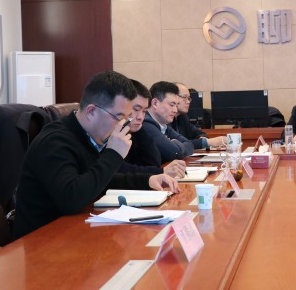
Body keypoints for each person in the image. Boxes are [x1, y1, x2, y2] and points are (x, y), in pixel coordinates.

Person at [13, 71, 179, 239]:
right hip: (42, 240)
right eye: (119, 117)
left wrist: (147, 180)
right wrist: (113, 154)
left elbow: (98, 181)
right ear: (91, 111)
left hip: (73, 233)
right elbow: (71, 198)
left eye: (126, 118)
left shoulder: (89, 137)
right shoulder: (54, 141)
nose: (123, 124)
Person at [118, 79, 186, 177]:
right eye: (136, 109)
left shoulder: (138, 131)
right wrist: (161, 171)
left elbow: (154, 162)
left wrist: (141, 132)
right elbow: (118, 170)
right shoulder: (111, 135)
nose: (140, 117)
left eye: (144, 111)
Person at [142, 81, 195, 162]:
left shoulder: (164, 125)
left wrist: (174, 144)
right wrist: (176, 145)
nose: (175, 110)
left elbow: (189, 145)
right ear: (155, 103)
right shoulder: (145, 124)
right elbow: (174, 153)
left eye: (176, 105)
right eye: (171, 105)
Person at [170, 82, 224, 149]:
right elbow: (179, 144)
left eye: (189, 98)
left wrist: (202, 138)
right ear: (173, 97)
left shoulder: (183, 117)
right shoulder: (165, 119)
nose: (188, 102)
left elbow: (198, 133)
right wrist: (207, 142)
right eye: (184, 97)